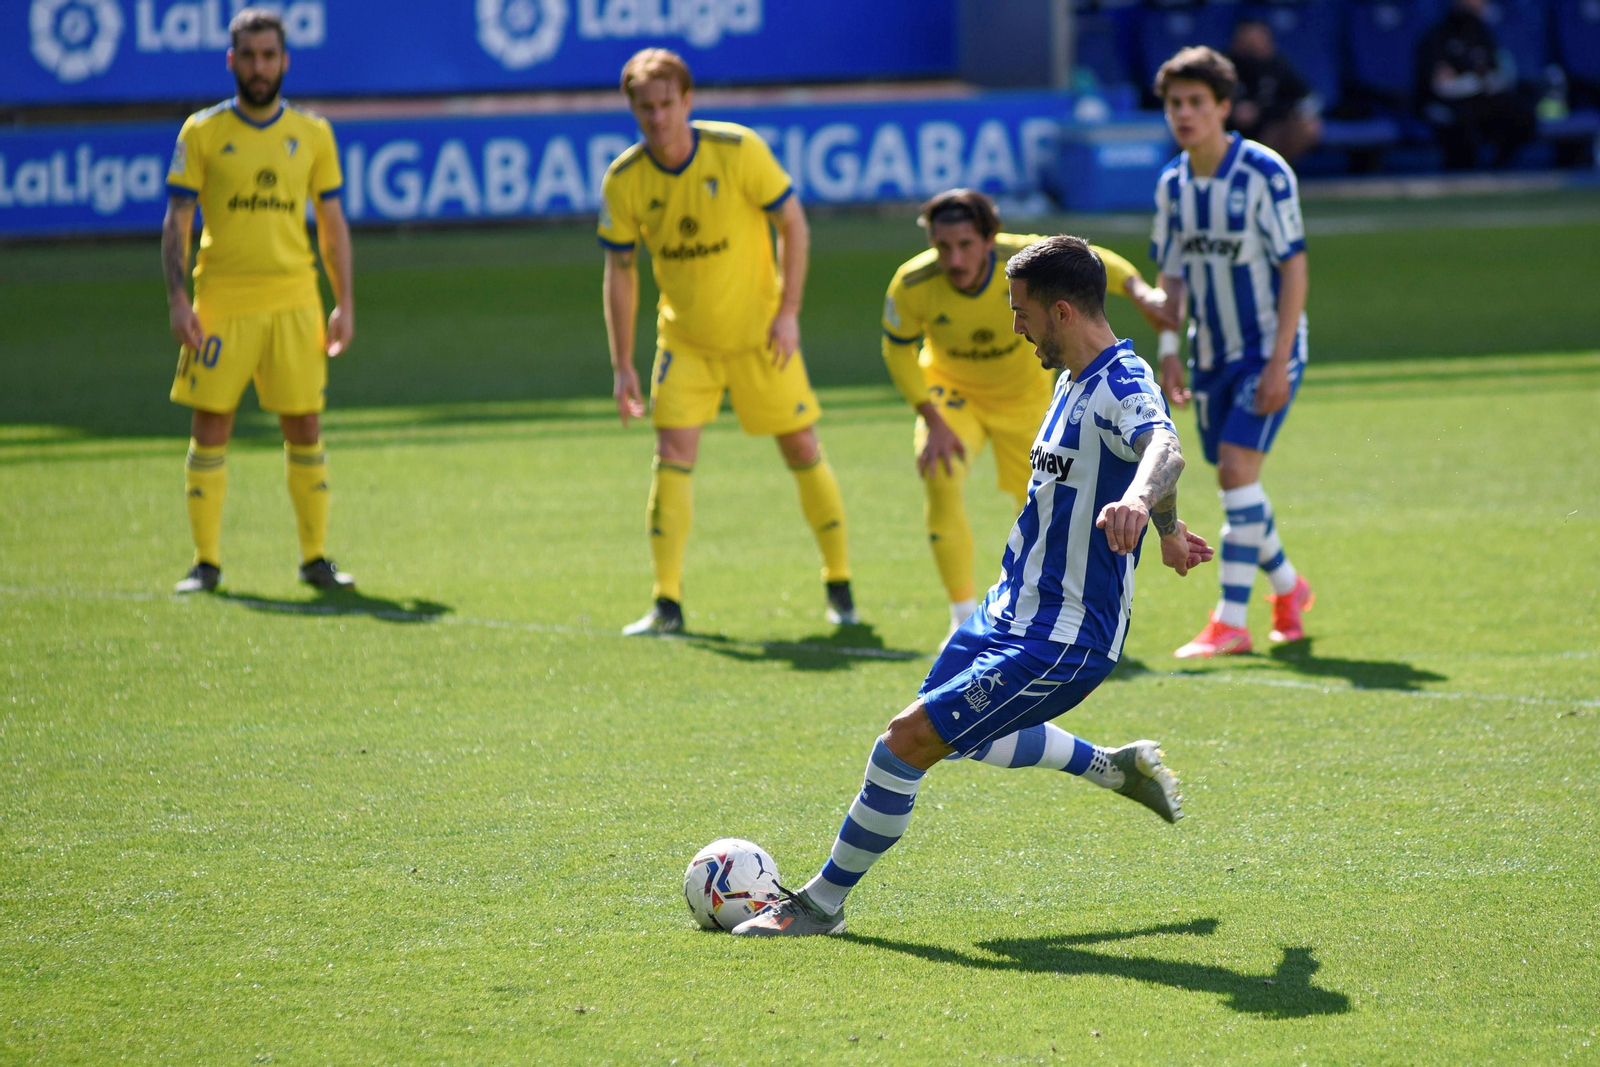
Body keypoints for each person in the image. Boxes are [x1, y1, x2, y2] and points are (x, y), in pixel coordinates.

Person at [732, 236, 1214, 938]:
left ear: (1060, 310)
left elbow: (1162, 447)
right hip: (1006, 611)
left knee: (902, 744)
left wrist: (1143, 503)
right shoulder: (1071, 378)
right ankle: (1112, 766)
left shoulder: (1123, 384)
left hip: (1062, 638)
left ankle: (818, 904)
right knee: (964, 735)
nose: (1014, 327)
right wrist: (1166, 530)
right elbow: (1142, 463)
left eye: (1021, 313)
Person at [598, 49, 855, 636]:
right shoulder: (626, 179)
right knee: (672, 456)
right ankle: (667, 603)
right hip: (684, 344)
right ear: (633, 109)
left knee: (800, 449)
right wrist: (621, 363)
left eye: (668, 104)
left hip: (762, 338)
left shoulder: (737, 151)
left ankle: (839, 583)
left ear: (687, 101)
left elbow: (794, 223)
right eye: (646, 107)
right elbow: (620, 271)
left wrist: (788, 313)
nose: (658, 118)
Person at [881, 189, 1173, 639]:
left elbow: (1093, 262)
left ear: (989, 238)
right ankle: (961, 615)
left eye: (964, 245)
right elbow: (897, 351)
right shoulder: (912, 283)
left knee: (1050, 501)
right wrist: (932, 419)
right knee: (940, 475)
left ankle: (1058, 610)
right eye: (942, 247)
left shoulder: (1022, 262)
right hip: (953, 397)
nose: (954, 259)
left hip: (1024, 400)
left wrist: (1140, 291)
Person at [163, 8, 354, 594]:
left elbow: (332, 223)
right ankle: (206, 563)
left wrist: (343, 300)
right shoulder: (201, 133)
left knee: (304, 424)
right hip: (222, 300)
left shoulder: (314, 134)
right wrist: (177, 299)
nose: (259, 67)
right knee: (212, 424)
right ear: (231, 61)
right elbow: (178, 220)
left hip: (296, 300)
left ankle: (316, 558)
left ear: (284, 61)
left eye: (269, 55)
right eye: (248, 56)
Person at [1151, 46, 1315, 658]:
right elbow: (1172, 276)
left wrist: (1279, 361)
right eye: (1175, 104)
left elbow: (1294, 267)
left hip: (1267, 349)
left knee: (1235, 474)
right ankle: (1290, 588)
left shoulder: (1265, 174)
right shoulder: (1172, 186)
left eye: (1197, 102)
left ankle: (1230, 622)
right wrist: (1170, 347)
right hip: (1210, 356)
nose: (1185, 114)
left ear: (1224, 107)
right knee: (1237, 487)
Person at [1416, 0, 1537, 169]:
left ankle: (1499, 168)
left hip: (1481, 100)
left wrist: (1489, 80)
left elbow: (1495, 69)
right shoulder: (1437, 35)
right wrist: (1470, 82)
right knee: (1458, 130)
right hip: (1449, 104)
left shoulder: (1482, 32)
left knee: (1521, 115)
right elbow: (1439, 84)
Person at [1227, 19, 1324, 163]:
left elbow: (1306, 97)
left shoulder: (1278, 66)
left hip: (1268, 126)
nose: (1253, 47)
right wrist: (1234, 110)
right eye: (1248, 42)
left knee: (1307, 126)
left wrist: (1262, 111)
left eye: (1257, 41)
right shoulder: (1224, 65)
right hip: (1228, 127)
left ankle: (1273, 171)